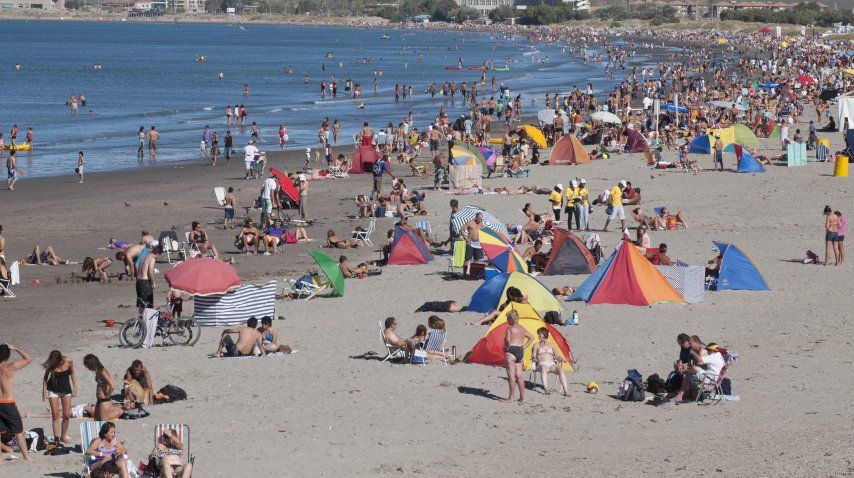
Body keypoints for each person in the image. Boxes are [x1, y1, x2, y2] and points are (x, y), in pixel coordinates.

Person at [0, 343, 32, 461]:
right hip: (8, 403)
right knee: (19, 432)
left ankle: (0, 460)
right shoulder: (10, 367)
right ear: (7, 356)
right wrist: (16, 348)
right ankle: (26, 457)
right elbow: (29, 359)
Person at [42, 350, 77, 444]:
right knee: (55, 415)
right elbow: (45, 377)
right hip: (53, 391)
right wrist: (44, 391)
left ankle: (63, 436)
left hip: (66, 390)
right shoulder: (51, 364)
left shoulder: (68, 360)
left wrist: (75, 386)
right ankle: (56, 438)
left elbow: (72, 373)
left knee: (66, 415)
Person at [502, 310, 534, 403]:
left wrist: (506, 348)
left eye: (507, 318)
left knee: (511, 376)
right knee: (519, 376)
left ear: (511, 319)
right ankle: (522, 398)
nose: (507, 320)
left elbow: (508, 340)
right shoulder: (522, 329)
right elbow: (531, 337)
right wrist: (523, 347)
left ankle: (511, 398)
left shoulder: (509, 329)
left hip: (511, 351)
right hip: (520, 351)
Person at [532, 327, 570, 396]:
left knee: (560, 369)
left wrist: (563, 359)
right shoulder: (536, 345)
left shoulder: (551, 345)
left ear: (544, 334)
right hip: (541, 364)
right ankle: (546, 390)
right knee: (543, 368)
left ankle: (565, 392)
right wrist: (534, 358)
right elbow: (533, 355)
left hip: (551, 364)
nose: (538, 336)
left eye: (540, 334)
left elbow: (557, 356)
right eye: (538, 334)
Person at [83, 354, 118, 421]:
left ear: (91, 364)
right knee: (96, 421)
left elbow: (112, 386)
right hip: (99, 400)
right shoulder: (97, 371)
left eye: (87, 366)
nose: (87, 368)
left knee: (104, 425)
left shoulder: (102, 371)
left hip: (104, 401)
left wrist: (107, 396)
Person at [136, 245, 160, 311]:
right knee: (148, 304)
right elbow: (150, 272)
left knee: (141, 304)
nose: (158, 257)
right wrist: (153, 282)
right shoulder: (152, 258)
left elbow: (137, 267)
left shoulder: (144, 257)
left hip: (139, 281)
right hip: (145, 282)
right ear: (157, 253)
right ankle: (146, 320)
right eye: (159, 256)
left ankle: (141, 319)